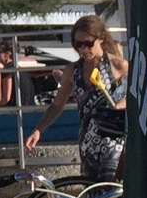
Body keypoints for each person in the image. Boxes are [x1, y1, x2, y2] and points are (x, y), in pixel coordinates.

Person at [24, 14, 129, 183]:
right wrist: (38, 130)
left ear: (101, 39)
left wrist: (122, 103)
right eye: (78, 44)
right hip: (87, 141)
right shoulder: (72, 71)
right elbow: (57, 105)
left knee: (108, 188)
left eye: (88, 43)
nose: (83, 49)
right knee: (90, 191)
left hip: (113, 139)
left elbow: (135, 95)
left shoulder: (118, 65)